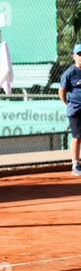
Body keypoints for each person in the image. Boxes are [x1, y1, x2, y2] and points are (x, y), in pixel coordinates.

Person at [59, 43, 81, 176]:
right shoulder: (69, 73)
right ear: (74, 56)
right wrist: (67, 104)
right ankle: (75, 165)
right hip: (75, 111)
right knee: (77, 137)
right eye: (79, 55)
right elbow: (61, 91)